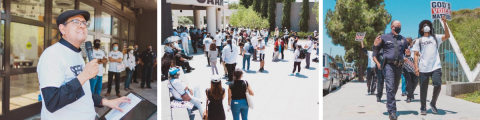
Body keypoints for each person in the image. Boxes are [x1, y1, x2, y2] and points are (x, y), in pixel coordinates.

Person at [37, 10, 130, 119]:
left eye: (84, 23)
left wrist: (105, 102)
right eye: (76, 22)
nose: (82, 26)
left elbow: (82, 91)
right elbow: (52, 102)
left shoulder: (77, 55)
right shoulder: (52, 54)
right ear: (62, 29)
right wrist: (85, 75)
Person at [413, 16, 450, 115]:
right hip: (423, 67)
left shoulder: (435, 37)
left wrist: (445, 23)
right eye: (424, 25)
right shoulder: (418, 40)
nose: (427, 26)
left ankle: (433, 103)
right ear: (421, 29)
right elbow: (416, 54)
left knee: (438, 84)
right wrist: (416, 67)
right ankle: (423, 107)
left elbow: (447, 36)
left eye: (428, 25)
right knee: (423, 89)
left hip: (435, 66)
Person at [373, 20, 409, 120]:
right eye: (397, 26)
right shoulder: (384, 37)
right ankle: (392, 111)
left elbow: (406, 53)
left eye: (400, 26)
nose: (399, 27)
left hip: (399, 66)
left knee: (395, 87)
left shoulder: (403, 39)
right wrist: (375, 45)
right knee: (390, 87)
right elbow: (375, 52)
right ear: (392, 27)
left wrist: (408, 54)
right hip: (388, 65)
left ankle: (389, 103)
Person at [403, 37, 418, 103]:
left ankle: (410, 92)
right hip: (407, 67)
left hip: (414, 66)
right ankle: (409, 97)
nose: (407, 44)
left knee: (415, 81)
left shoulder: (415, 47)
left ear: (411, 42)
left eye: (408, 42)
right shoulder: (404, 48)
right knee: (409, 82)